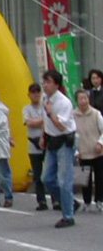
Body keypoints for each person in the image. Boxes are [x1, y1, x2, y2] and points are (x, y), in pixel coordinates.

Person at [40, 70, 79, 228]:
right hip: (51, 140)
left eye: (48, 82)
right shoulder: (45, 98)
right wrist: (43, 136)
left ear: (57, 84)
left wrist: (50, 113)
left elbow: (61, 126)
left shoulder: (64, 102)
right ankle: (69, 202)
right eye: (44, 82)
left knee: (64, 181)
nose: (45, 85)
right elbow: (45, 121)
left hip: (64, 141)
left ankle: (68, 216)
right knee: (46, 178)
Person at [23, 83, 56, 211]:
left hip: (47, 143)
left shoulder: (45, 107)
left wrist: (39, 121)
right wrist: (43, 120)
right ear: (29, 94)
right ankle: (41, 200)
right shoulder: (26, 109)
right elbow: (29, 123)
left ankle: (55, 200)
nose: (36, 95)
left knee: (51, 173)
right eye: (33, 92)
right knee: (37, 175)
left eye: (38, 92)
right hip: (33, 144)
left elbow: (48, 121)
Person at [72, 90, 103, 213]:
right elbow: (72, 134)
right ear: (77, 101)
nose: (84, 101)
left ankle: (99, 201)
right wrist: (76, 151)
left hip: (97, 151)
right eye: (81, 99)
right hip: (83, 152)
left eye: (85, 98)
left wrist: (100, 143)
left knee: (100, 177)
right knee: (85, 179)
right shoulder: (73, 115)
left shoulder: (96, 114)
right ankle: (86, 202)